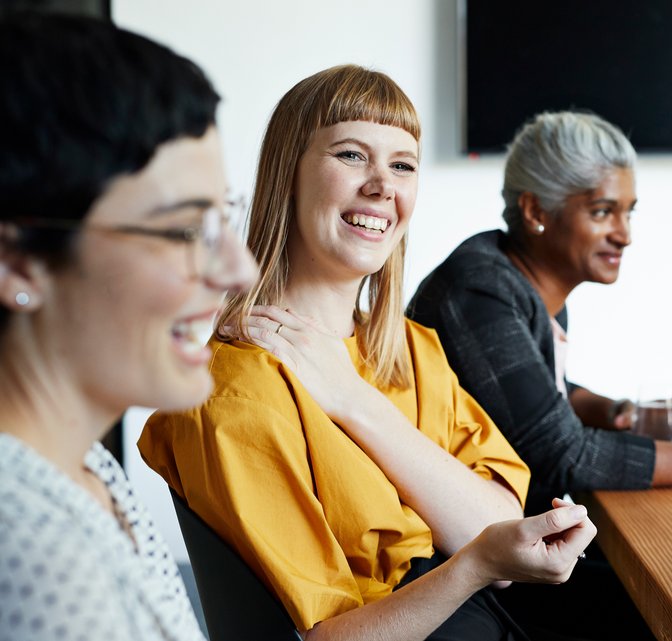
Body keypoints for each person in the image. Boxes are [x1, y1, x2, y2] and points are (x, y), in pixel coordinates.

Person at [138, 65, 596, 641]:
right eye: (352, 155)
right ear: (289, 175)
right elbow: (331, 635)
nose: (383, 186)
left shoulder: (411, 348)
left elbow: (502, 527)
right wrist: (473, 564)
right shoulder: (234, 394)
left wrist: (354, 400)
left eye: (402, 165)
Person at [406, 110, 672, 639]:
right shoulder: (480, 291)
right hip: (479, 582)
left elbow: (534, 394)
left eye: (628, 212)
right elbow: (565, 458)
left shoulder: (520, 279)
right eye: (603, 212)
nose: (624, 234)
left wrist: (613, 411)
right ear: (537, 210)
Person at [0, 12, 257, 641]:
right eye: (182, 231)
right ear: (18, 262)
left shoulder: (86, 467)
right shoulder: (29, 548)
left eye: (222, 218)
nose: (239, 270)